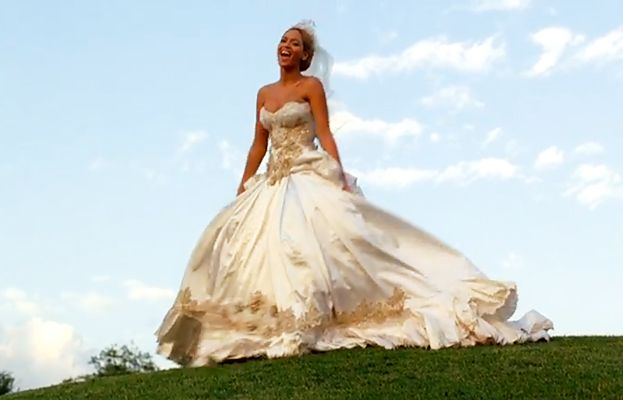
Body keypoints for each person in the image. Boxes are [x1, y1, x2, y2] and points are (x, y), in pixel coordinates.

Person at [155, 21, 553, 367]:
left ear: (305, 55)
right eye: (282, 40)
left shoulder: (311, 87)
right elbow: (258, 142)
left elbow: (324, 132)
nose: (286, 46)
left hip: (306, 174)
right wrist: (244, 181)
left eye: (294, 43)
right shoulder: (262, 93)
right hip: (272, 180)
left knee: (309, 247)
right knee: (250, 250)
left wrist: (339, 173)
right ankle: (260, 329)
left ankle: (305, 324)